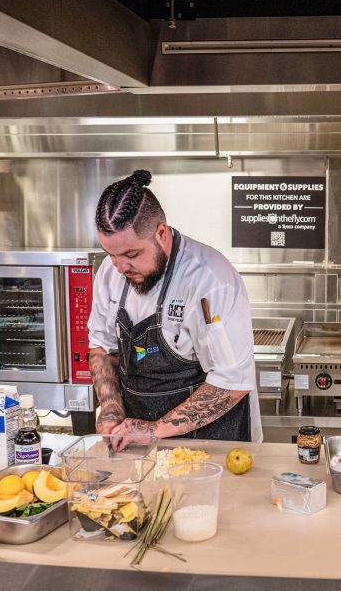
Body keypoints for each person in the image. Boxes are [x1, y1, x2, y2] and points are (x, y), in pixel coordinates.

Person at [87, 170, 261, 446]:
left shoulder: (210, 279)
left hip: (210, 442)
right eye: (111, 255)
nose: (120, 267)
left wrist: (154, 430)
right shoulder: (111, 273)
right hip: (137, 440)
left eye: (131, 255)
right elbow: (101, 347)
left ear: (161, 233)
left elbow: (232, 383)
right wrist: (110, 409)